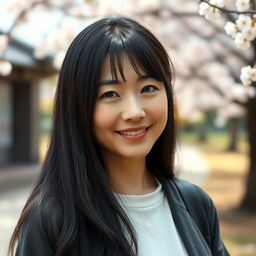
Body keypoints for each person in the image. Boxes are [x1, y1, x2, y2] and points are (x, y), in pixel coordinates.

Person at [9, 16, 229, 256]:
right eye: (110, 94)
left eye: (148, 89)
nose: (135, 112)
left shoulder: (196, 204)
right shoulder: (52, 221)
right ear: (78, 107)